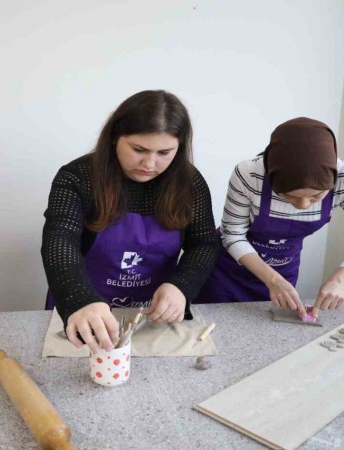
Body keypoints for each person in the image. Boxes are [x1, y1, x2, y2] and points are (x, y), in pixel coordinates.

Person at [41, 90, 219, 354]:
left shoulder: (189, 182)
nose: (149, 163)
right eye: (138, 149)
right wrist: (80, 299)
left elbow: (203, 243)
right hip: (85, 305)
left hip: (155, 313)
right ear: (115, 136)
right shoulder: (77, 178)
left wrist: (182, 286)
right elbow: (59, 241)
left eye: (164, 152)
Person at [196, 117, 344, 315]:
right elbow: (232, 234)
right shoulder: (249, 174)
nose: (303, 205)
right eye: (289, 195)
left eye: (316, 196)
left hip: (284, 269)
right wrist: (272, 280)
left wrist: (340, 280)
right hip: (226, 272)